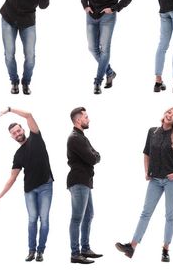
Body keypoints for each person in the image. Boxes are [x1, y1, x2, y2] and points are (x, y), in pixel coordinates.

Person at [115, 107, 173, 262]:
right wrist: (146, 171)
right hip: (155, 180)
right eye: (169, 112)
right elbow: (146, 153)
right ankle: (132, 246)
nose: (170, 116)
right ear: (165, 114)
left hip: (172, 181)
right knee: (145, 213)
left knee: (169, 215)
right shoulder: (152, 132)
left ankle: (165, 249)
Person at [0, 107, 54, 262]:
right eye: (14, 133)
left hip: (46, 186)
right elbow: (12, 178)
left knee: (44, 219)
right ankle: (31, 251)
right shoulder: (18, 155)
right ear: (12, 137)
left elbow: (29, 115)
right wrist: (0, 195)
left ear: (23, 129)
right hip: (30, 190)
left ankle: (41, 251)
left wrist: (8, 109)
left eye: (18, 130)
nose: (17, 134)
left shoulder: (36, 137)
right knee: (32, 219)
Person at [0, 0, 56, 95]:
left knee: (30, 56)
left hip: (28, 21)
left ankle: (25, 83)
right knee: (9, 54)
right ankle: (14, 81)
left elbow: (43, 5)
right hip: (9, 16)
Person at [81, 0, 131, 95]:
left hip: (107, 17)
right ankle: (110, 72)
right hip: (91, 13)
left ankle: (98, 81)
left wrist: (114, 8)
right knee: (92, 48)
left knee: (104, 49)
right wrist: (85, 5)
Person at [66, 107, 102, 264]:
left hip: (85, 181)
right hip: (79, 181)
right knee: (77, 218)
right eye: (86, 117)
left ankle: (85, 249)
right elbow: (93, 158)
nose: (88, 119)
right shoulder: (75, 138)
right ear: (78, 120)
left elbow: (96, 154)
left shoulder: (82, 137)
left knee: (88, 215)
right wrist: (95, 156)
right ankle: (75, 254)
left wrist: (95, 155)